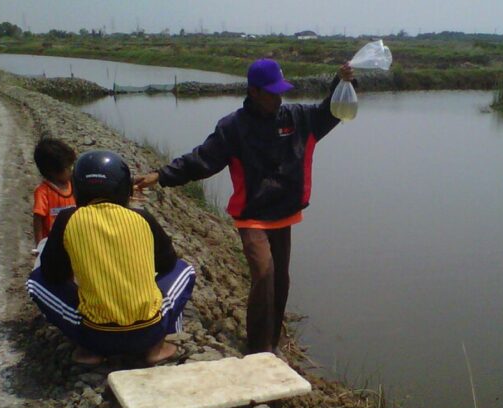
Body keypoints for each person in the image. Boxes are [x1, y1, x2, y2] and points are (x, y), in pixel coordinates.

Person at [134, 58, 355, 354]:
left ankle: (273, 343)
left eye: (281, 91)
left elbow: (332, 111)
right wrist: (162, 175)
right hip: (252, 215)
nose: (279, 98)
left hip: (284, 213)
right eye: (272, 92)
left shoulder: (297, 119)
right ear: (254, 91)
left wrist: (342, 82)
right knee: (264, 273)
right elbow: (202, 160)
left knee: (280, 281)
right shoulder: (233, 127)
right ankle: (258, 349)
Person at [26, 150, 196, 365]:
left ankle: (89, 351)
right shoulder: (142, 218)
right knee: (184, 269)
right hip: (147, 333)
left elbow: (52, 274)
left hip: (96, 336)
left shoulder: (67, 219)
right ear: (124, 189)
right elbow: (167, 263)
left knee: (35, 281)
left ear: (77, 189)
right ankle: (156, 349)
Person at [32, 138, 77, 250]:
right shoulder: (43, 191)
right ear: (53, 172)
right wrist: (39, 247)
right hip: (52, 245)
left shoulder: (74, 186)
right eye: (68, 168)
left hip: (73, 241)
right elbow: (38, 220)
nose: (71, 170)